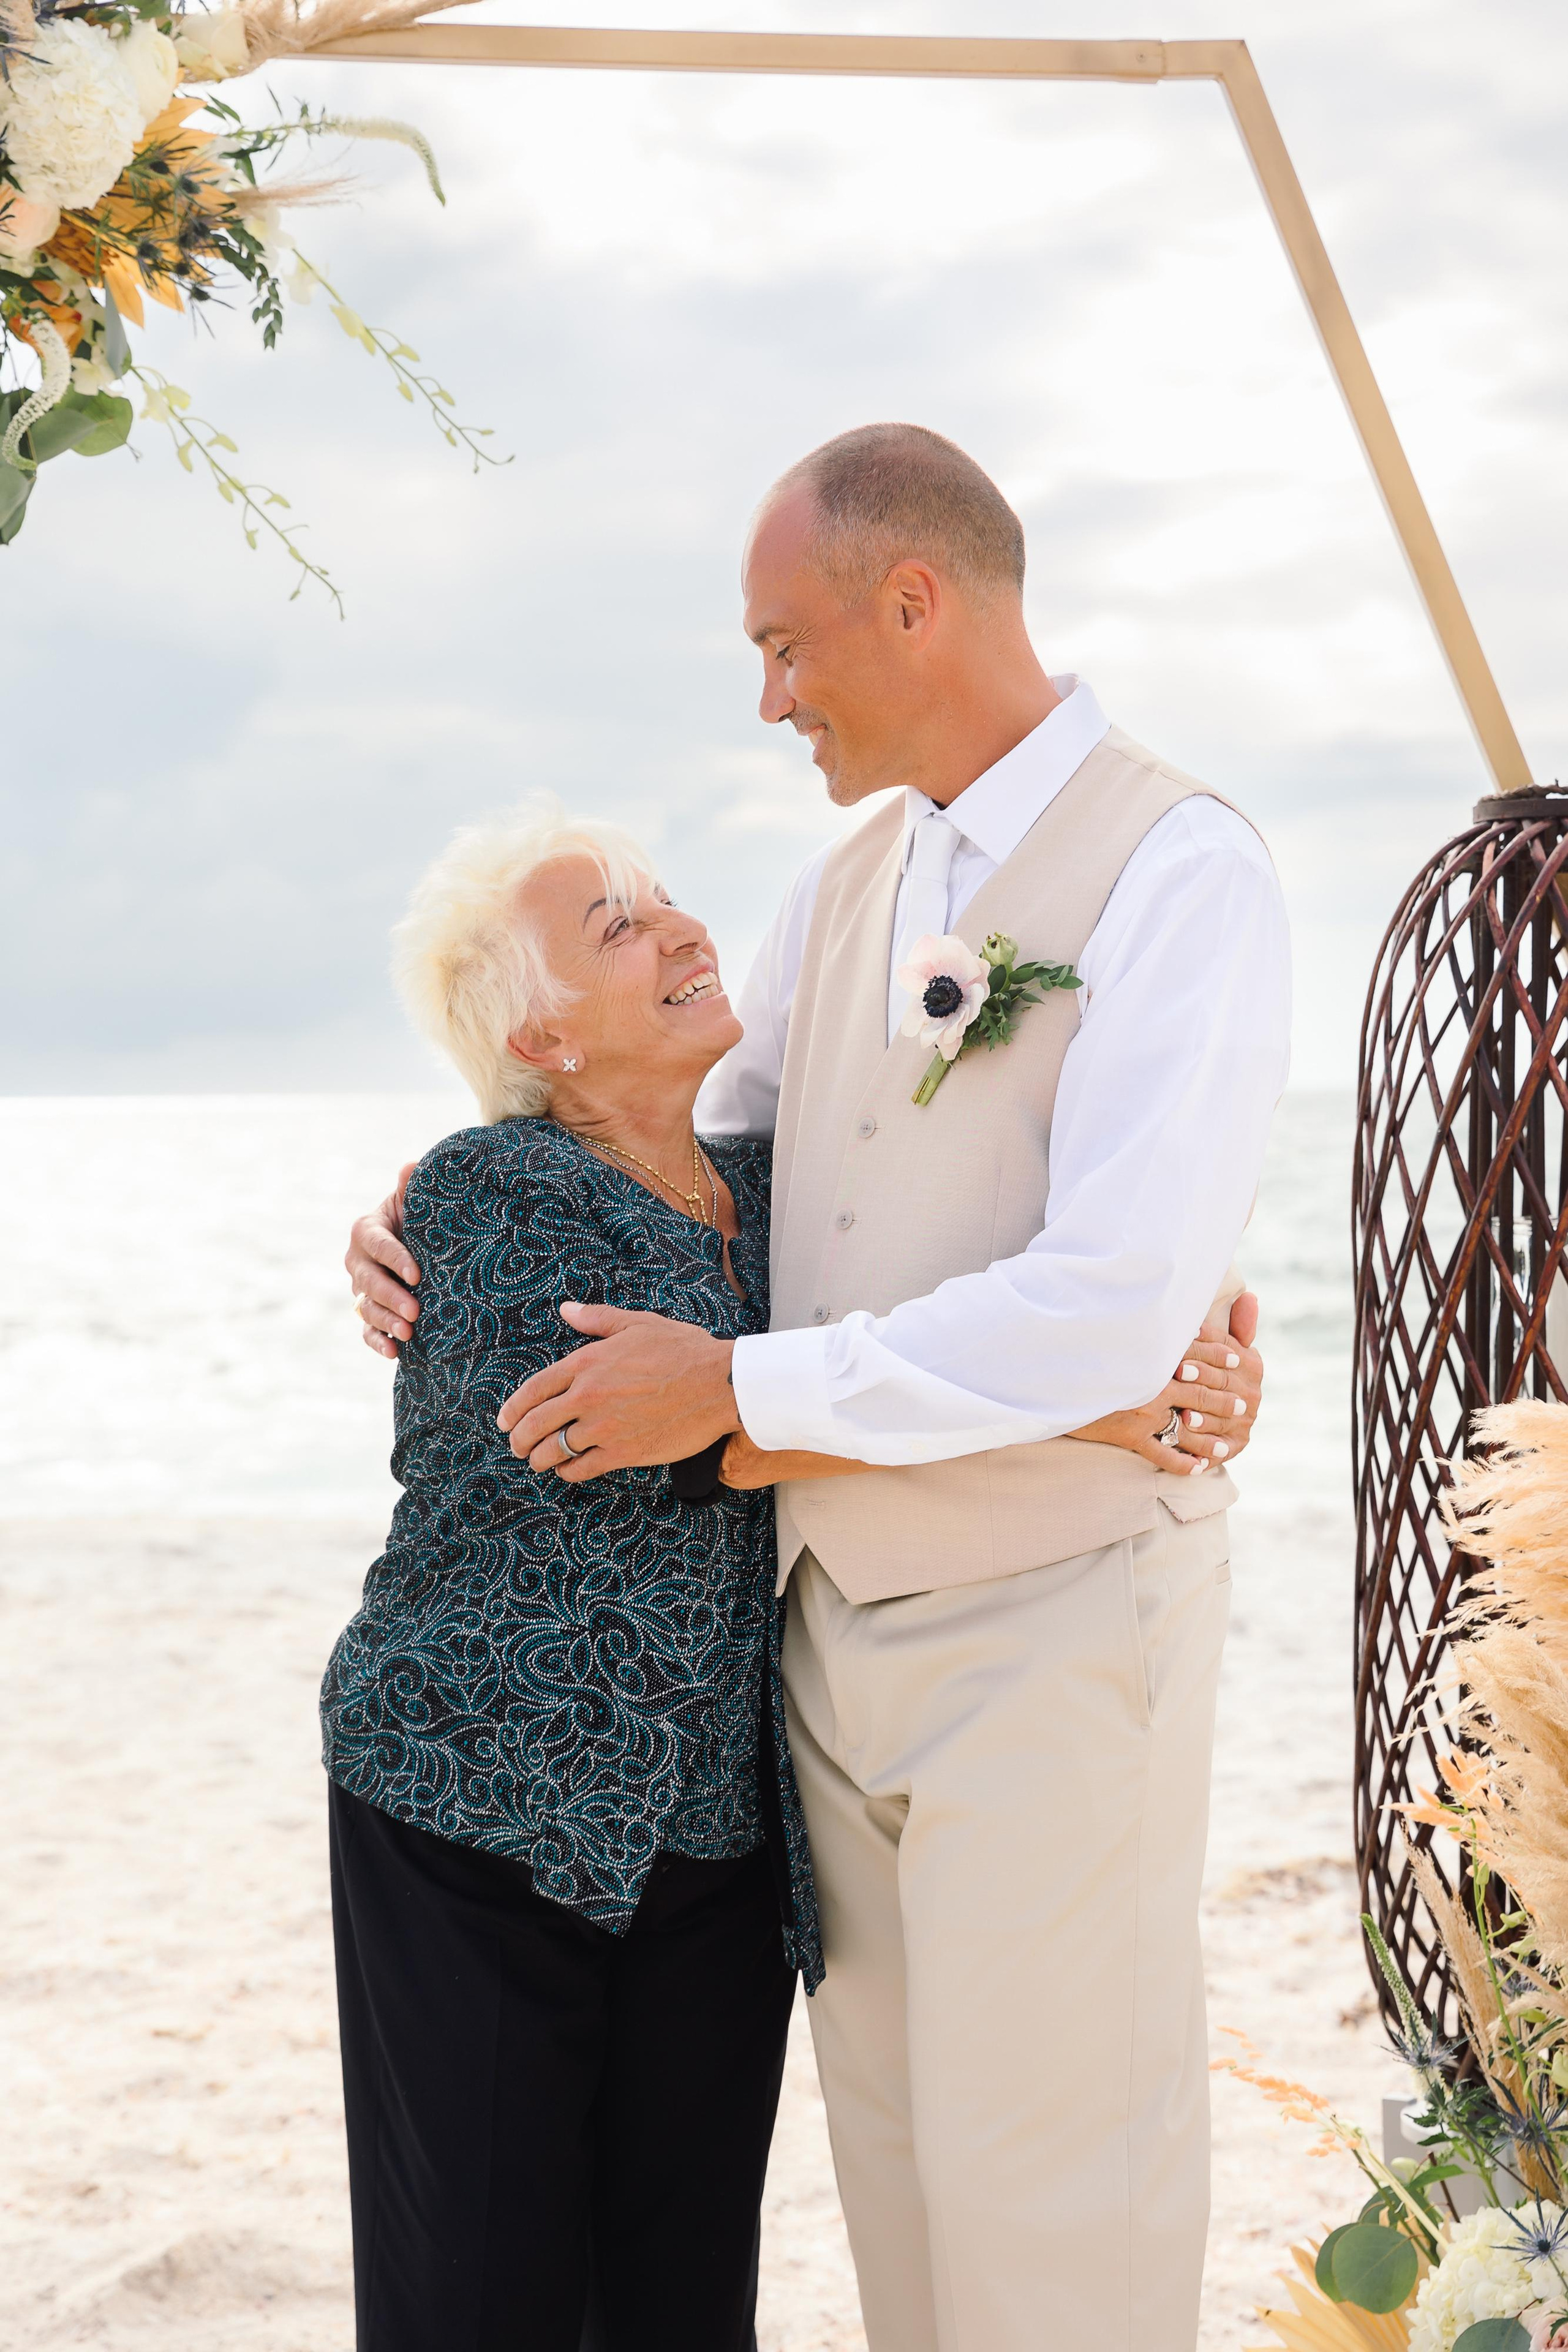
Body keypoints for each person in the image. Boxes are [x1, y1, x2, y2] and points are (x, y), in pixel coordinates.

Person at [348, 425, 1288, 2352]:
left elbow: (1108, 1293)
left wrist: (1114, 1383)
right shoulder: (851, 883)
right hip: (821, 1673)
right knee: (906, 2208)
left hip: (1048, 1632)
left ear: (915, 603)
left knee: (1061, 2208)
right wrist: (418, 1204)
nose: (771, 698)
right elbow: (701, 1180)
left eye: (787, 646)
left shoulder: (1180, 867)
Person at [320, 811, 819, 2352]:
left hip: (712, 1835)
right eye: (617, 925)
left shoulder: (779, 1187)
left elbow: (941, 1326)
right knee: (478, 2296)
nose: (681, 930)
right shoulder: (489, 1190)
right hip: (473, 1806)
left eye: (668, 901)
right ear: (542, 1033)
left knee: (681, 2301)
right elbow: (684, 1445)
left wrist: (1154, 1350)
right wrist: (1057, 1409)